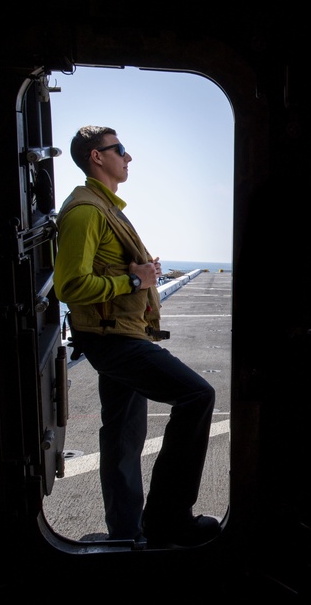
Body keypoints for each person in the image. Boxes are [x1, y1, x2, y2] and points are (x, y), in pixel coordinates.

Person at [53, 125, 220, 548]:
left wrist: (142, 273)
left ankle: (127, 534)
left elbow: (111, 269)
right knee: (197, 396)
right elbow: (69, 286)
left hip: (118, 334)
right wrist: (132, 282)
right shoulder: (86, 211)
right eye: (120, 150)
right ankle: (168, 520)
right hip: (114, 340)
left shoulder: (104, 207)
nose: (128, 158)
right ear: (97, 156)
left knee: (122, 436)